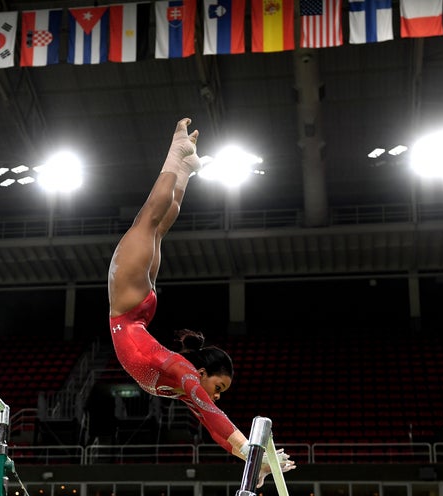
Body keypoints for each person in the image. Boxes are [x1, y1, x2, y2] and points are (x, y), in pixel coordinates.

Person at [108, 118, 295, 485]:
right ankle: (178, 158)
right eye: (219, 387)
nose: (216, 395)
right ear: (204, 373)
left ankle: (185, 166)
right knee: (150, 221)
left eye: (219, 391)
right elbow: (215, 417)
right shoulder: (186, 375)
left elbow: (213, 425)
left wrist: (250, 460)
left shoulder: (186, 386)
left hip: (133, 312)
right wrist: (251, 453)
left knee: (154, 225)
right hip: (130, 309)